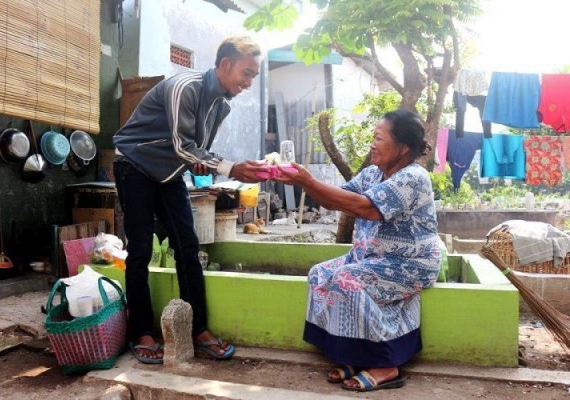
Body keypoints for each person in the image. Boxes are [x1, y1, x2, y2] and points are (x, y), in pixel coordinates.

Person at [113, 35, 268, 364]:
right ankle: (140, 330)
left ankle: (198, 329)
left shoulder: (221, 105)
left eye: (254, 75)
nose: (249, 82)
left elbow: (195, 154)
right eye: (247, 73)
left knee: (188, 246)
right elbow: (184, 146)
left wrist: (209, 164)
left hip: (168, 174)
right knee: (139, 249)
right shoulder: (186, 86)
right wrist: (232, 167)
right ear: (225, 65)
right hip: (135, 164)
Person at [274, 109, 441, 392]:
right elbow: (335, 201)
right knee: (319, 274)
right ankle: (353, 355)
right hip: (370, 256)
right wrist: (300, 179)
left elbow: (367, 208)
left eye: (379, 138)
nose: (372, 144)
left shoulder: (414, 177)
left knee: (346, 279)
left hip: (409, 262)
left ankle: (386, 363)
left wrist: (308, 182)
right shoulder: (373, 173)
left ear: (401, 147)